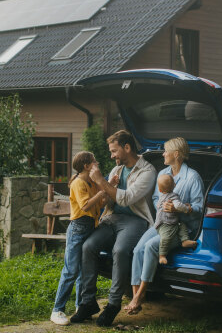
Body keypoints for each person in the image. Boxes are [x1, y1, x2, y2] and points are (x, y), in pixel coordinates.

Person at [70, 130, 156, 327]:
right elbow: (108, 199)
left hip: (136, 220)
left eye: (114, 151)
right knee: (88, 246)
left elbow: (126, 198)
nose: (111, 156)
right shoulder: (116, 170)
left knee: (120, 251)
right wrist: (106, 187)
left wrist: (101, 182)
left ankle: (113, 303)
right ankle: (88, 301)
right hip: (112, 218)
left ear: (127, 148)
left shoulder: (147, 171)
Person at [124, 137, 204, 315]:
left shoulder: (192, 177)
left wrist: (180, 208)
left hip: (181, 227)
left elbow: (199, 207)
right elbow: (155, 197)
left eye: (166, 151)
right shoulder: (162, 174)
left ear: (176, 154)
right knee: (138, 249)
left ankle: (139, 296)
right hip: (161, 223)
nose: (163, 154)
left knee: (152, 246)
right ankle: (135, 296)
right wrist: (161, 205)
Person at [50, 151, 108, 326]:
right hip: (77, 229)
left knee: (83, 272)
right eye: (94, 161)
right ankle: (57, 310)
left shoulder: (90, 182)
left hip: (90, 227)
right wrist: (101, 192)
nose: (97, 163)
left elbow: (99, 204)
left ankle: (80, 307)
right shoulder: (78, 183)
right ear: (86, 165)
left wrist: (106, 189)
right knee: (71, 271)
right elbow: (84, 206)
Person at [153, 174, 197, 265]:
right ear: (174, 185)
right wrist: (187, 209)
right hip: (165, 224)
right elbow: (178, 205)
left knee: (182, 225)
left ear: (160, 190)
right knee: (166, 238)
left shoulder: (162, 196)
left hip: (173, 221)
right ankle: (162, 255)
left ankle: (184, 240)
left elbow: (157, 206)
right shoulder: (174, 196)